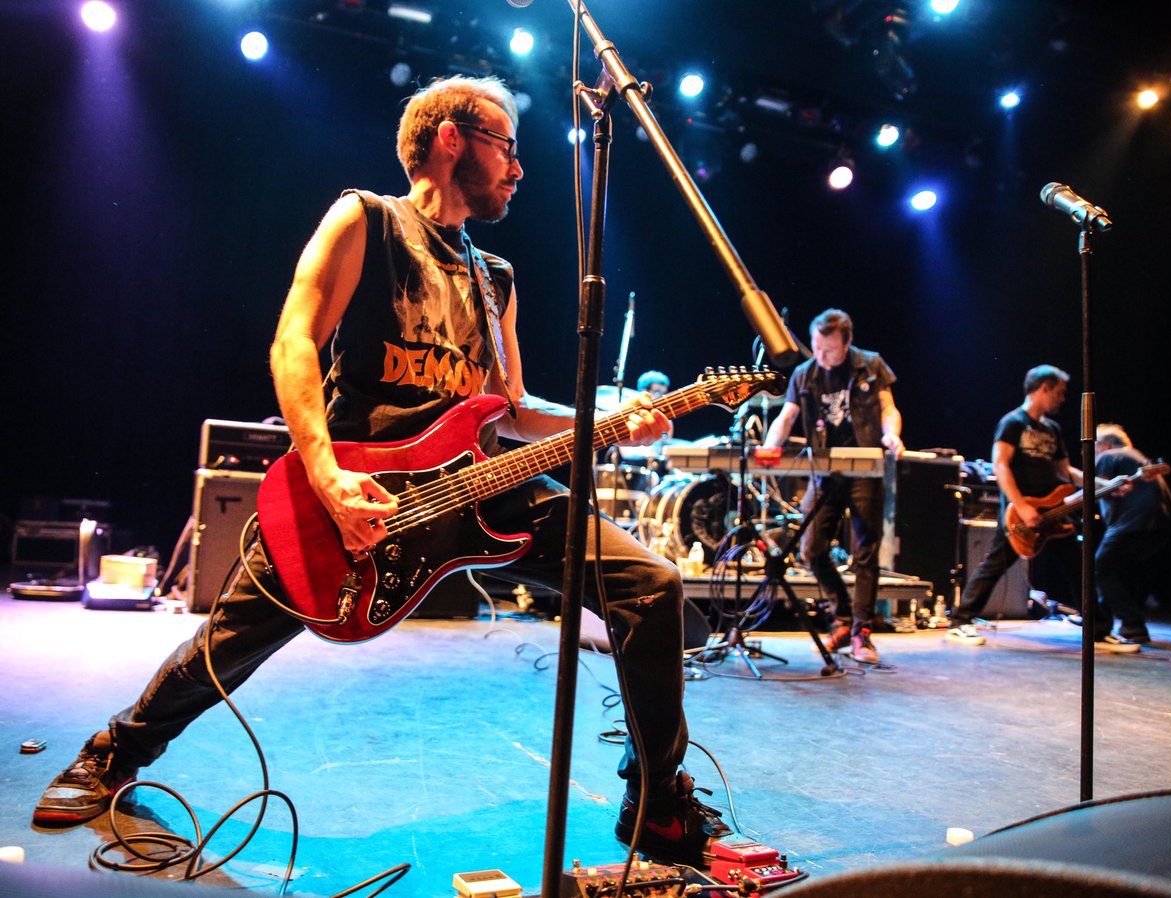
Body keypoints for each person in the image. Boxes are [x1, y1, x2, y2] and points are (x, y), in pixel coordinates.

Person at [33, 75, 731, 866]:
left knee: (651, 585)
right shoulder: (366, 219)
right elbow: (293, 340)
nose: (520, 167)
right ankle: (115, 752)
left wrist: (606, 426)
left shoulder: (492, 273)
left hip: (477, 489)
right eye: (506, 146)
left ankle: (657, 796)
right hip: (358, 492)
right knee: (233, 640)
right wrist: (326, 478)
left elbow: (506, 405)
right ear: (450, 139)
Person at [945, 366, 1140, 652]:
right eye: (1059, 392)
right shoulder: (1013, 423)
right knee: (993, 567)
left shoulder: (1052, 429)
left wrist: (1106, 484)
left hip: (1051, 514)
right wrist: (1022, 506)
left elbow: (1066, 471)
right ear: (1043, 389)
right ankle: (959, 622)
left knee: (1078, 569)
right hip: (1020, 514)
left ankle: (1098, 629)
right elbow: (1000, 465)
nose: (1063, 399)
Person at [763, 308, 904, 664]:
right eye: (817, 348)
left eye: (830, 350)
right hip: (823, 472)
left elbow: (888, 408)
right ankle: (841, 617)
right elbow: (787, 416)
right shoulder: (804, 374)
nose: (822, 356)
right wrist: (769, 447)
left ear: (847, 343)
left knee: (865, 552)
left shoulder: (870, 365)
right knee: (810, 548)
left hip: (864, 469)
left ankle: (861, 633)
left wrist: (892, 436)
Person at [1093, 423, 1171, 644]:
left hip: (1133, 525)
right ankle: (1100, 622)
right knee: (1113, 571)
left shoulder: (1109, 455)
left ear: (1104, 445)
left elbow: (1096, 490)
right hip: (1160, 526)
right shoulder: (1136, 456)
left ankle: (1133, 624)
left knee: (1100, 569)